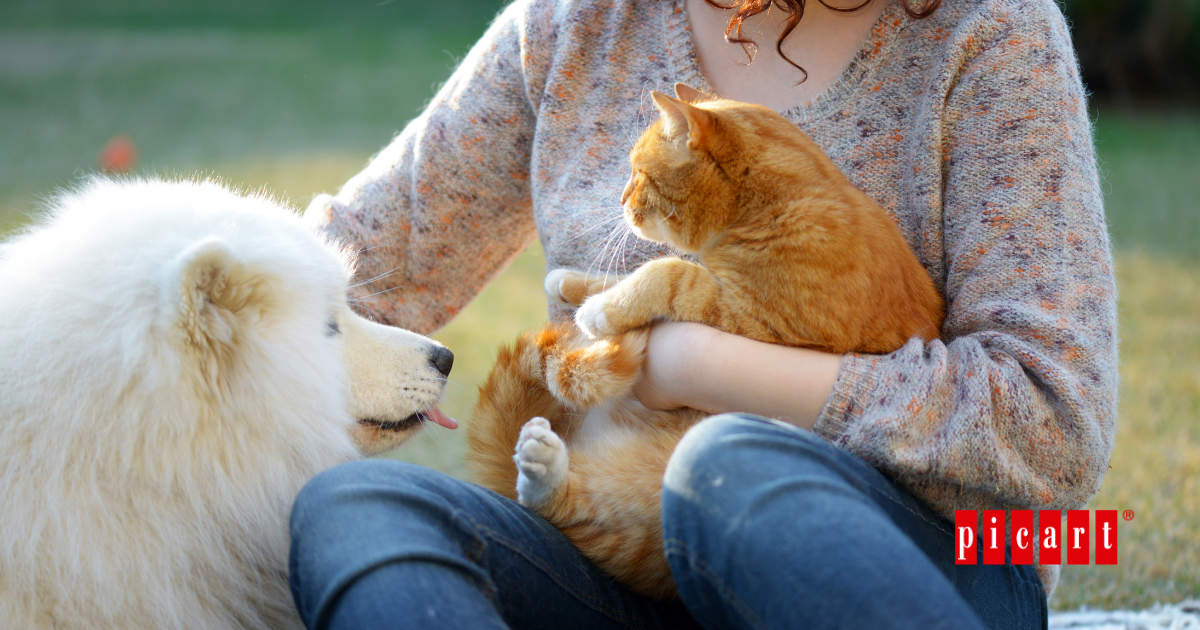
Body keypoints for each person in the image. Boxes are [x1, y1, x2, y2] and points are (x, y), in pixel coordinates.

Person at [287, 0, 1118, 627]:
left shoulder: (993, 29)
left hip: (959, 554)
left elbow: (1056, 423)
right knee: (356, 512)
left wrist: (693, 365)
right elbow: (351, 264)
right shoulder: (578, 23)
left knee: (727, 465)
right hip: (619, 545)